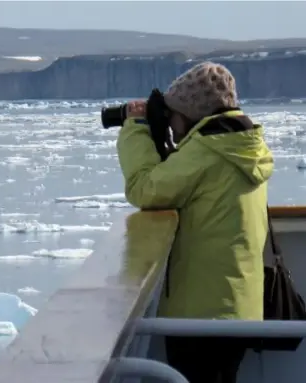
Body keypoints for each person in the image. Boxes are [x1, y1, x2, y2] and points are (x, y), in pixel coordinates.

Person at [116, 61, 274, 383]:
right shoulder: (243, 145)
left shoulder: (207, 151)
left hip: (201, 315)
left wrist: (135, 128)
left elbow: (145, 189)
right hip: (240, 310)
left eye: (173, 116)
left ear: (191, 114)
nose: (172, 127)